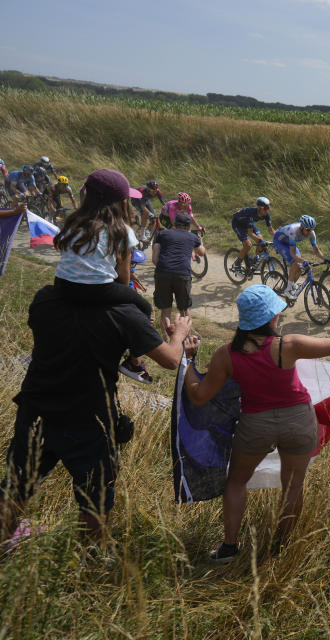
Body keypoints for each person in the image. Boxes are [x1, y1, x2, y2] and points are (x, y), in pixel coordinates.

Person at [0, 170, 192, 548]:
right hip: (89, 418)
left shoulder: (44, 302)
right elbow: (170, 361)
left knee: (16, 486)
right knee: (95, 497)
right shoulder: (124, 316)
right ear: (119, 256)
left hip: (37, 406)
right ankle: (90, 559)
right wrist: (180, 335)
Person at [181, 284, 330, 563]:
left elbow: (199, 397)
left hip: (255, 425)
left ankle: (229, 549)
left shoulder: (226, 355)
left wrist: (187, 360)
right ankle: (280, 549)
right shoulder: (288, 345)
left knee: (236, 481)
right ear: (271, 318)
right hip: (298, 421)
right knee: (293, 486)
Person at [52, 169, 153, 319]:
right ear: (120, 203)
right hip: (99, 290)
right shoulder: (122, 230)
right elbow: (123, 276)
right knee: (145, 307)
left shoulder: (74, 222)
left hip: (62, 284)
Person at [152, 213, 205, 336]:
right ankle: (187, 339)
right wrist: (200, 242)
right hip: (182, 274)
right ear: (188, 226)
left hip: (162, 272)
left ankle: (166, 341)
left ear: (174, 224)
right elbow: (201, 253)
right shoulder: (192, 236)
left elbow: (155, 259)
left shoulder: (162, 234)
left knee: (165, 311)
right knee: (184, 310)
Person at [118, 249, 154, 384]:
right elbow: (171, 361)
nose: (133, 267)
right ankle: (134, 361)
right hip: (127, 291)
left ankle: (132, 357)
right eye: (131, 264)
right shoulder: (126, 272)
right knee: (143, 312)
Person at [273, 215, 329, 300]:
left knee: (300, 268)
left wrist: (324, 259)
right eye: (308, 230)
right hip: (279, 242)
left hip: (289, 243)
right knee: (296, 262)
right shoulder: (293, 230)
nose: (310, 232)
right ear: (301, 227)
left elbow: (316, 250)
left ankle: (289, 285)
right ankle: (287, 290)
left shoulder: (311, 233)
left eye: (311, 230)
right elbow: (293, 254)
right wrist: (303, 261)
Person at [230, 196, 275, 270]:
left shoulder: (266, 214)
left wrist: (278, 237)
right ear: (259, 208)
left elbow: (270, 230)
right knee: (248, 245)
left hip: (248, 224)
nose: (267, 210)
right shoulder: (251, 213)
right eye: (265, 208)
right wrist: (260, 241)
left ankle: (255, 260)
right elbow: (250, 233)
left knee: (261, 239)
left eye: (268, 208)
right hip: (237, 224)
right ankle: (236, 264)